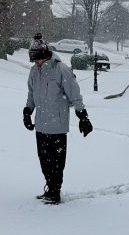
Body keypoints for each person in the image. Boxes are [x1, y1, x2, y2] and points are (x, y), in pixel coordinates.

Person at [23, 33, 93, 204]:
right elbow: (31, 94)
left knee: (56, 162)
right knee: (44, 160)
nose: (37, 63)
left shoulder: (61, 70)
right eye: (34, 61)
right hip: (41, 124)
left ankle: (55, 191)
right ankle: (49, 186)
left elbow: (74, 94)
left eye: (38, 60)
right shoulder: (34, 71)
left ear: (46, 55)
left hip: (58, 125)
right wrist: (27, 111)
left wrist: (82, 116)